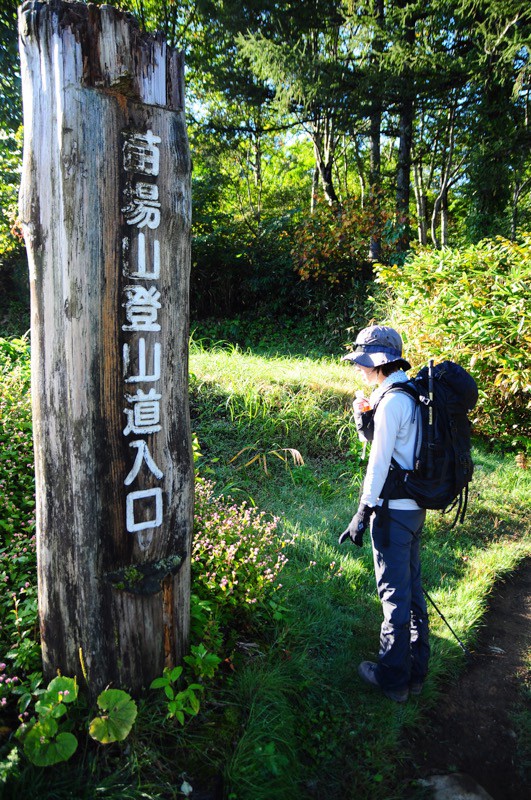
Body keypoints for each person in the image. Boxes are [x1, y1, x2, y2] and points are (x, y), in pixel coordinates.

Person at [339, 325, 430, 703]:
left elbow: (378, 466)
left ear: (380, 363)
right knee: (411, 589)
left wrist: (363, 511)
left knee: (394, 595)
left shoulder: (392, 402)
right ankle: (417, 670)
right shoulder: (409, 392)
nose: (359, 369)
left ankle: (392, 679)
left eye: (363, 363)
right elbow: (395, 450)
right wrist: (365, 422)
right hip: (413, 508)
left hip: (392, 513)